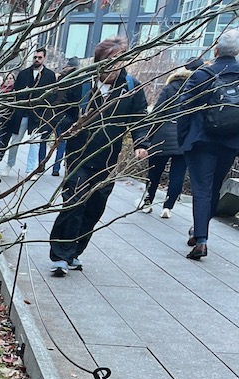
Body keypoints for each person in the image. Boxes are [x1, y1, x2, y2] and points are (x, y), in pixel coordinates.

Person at [47, 37, 149, 277]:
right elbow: (59, 112)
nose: (115, 66)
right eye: (110, 61)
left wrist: (141, 143)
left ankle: (74, 251)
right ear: (98, 62)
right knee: (73, 202)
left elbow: (139, 119)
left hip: (108, 159)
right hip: (78, 155)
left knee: (94, 207)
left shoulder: (131, 88)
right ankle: (60, 255)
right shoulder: (80, 83)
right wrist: (71, 126)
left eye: (120, 61)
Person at [177, 28, 239, 261]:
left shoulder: (203, 74)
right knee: (213, 188)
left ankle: (201, 239)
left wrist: (183, 139)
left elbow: (185, 109)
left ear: (215, 49)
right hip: (230, 141)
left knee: (201, 188)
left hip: (202, 141)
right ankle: (199, 230)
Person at [137, 66, 192, 216]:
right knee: (178, 174)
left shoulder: (170, 87)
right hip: (184, 136)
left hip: (163, 136)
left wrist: (148, 137)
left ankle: (148, 201)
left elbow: (158, 112)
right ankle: (168, 206)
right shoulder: (195, 88)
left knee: (155, 171)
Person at [0, 47, 57, 174]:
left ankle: (30, 170)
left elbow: (53, 95)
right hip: (22, 113)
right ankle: (9, 165)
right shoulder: (23, 74)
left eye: (39, 57)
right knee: (15, 141)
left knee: (35, 143)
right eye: (35, 57)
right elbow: (16, 93)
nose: (37, 60)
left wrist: (43, 106)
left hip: (38, 114)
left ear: (44, 58)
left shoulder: (49, 75)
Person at [49, 60, 80, 176]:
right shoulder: (77, 81)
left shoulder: (60, 79)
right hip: (67, 115)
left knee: (54, 141)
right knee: (62, 142)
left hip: (56, 113)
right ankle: (56, 168)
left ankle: (43, 164)